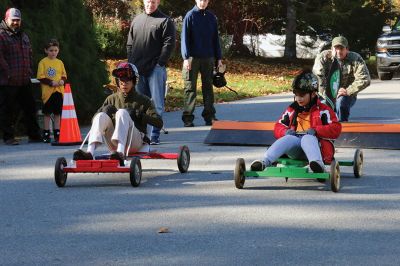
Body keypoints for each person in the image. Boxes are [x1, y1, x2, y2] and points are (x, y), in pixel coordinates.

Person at [250, 70, 342, 173]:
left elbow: (336, 128)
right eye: (296, 94)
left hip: (317, 147)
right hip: (296, 148)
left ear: (313, 94)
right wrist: (285, 132)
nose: (299, 98)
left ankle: (317, 164)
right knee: (288, 138)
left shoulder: (323, 110)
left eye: (302, 95)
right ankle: (264, 162)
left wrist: (316, 130)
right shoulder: (292, 109)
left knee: (307, 138)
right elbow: (278, 126)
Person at [72, 62, 163, 165]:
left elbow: (159, 123)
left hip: (135, 142)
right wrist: (104, 111)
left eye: (128, 80)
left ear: (134, 81)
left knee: (122, 112)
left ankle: (120, 152)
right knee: (101, 115)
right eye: (122, 80)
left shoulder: (144, 100)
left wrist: (140, 115)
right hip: (113, 143)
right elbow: (95, 121)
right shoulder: (111, 99)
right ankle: (90, 152)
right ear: (118, 81)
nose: (124, 83)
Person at [126, 0, 176, 145]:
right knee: (139, 103)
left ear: (158, 2)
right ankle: (141, 135)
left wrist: (160, 62)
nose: (150, 4)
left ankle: (154, 135)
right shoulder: (137, 20)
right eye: (148, 1)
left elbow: (169, 43)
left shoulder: (165, 21)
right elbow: (130, 43)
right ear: (143, 2)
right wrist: (131, 63)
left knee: (156, 103)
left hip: (155, 69)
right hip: (137, 69)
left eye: (153, 2)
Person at [0, 8, 41, 145]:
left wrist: (29, 70)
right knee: (8, 111)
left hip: (24, 79)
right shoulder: (1, 35)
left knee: (30, 108)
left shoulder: (23, 36)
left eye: (18, 20)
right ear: (6, 20)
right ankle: (8, 137)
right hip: (8, 81)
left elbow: (29, 54)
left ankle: (34, 136)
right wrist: (9, 73)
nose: (16, 22)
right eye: (13, 20)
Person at [181, 0, 223, 127]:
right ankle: (188, 118)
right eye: (200, 0)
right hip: (192, 58)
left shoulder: (211, 17)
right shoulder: (190, 16)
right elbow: (185, 38)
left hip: (208, 57)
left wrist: (219, 58)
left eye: (205, 0)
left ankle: (209, 116)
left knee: (208, 88)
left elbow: (215, 39)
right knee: (190, 88)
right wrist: (186, 58)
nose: (203, 2)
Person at [312, 36, 371, 122]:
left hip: (345, 94)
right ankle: (322, 130)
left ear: (347, 49)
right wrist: (329, 95)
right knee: (323, 107)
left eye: (341, 48)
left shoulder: (355, 59)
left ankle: (343, 127)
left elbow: (365, 79)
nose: (338, 51)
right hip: (325, 93)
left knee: (341, 103)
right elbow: (317, 77)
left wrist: (348, 91)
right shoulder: (323, 58)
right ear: (331, 49)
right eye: (336, 48)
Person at [37, 39, 67, 143]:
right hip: (48, 93)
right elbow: (40, 77)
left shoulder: (60, 62)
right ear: (46, 50)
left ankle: (57, 133)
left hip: (59, 92)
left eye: (55, 50)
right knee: (47, 113)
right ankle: (46, 133)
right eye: (51, 50)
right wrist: (51, 82)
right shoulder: (43, 62)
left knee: (57, 113)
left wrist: (62, 81)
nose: (53, 52)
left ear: (58, 50)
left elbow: (64, 75)